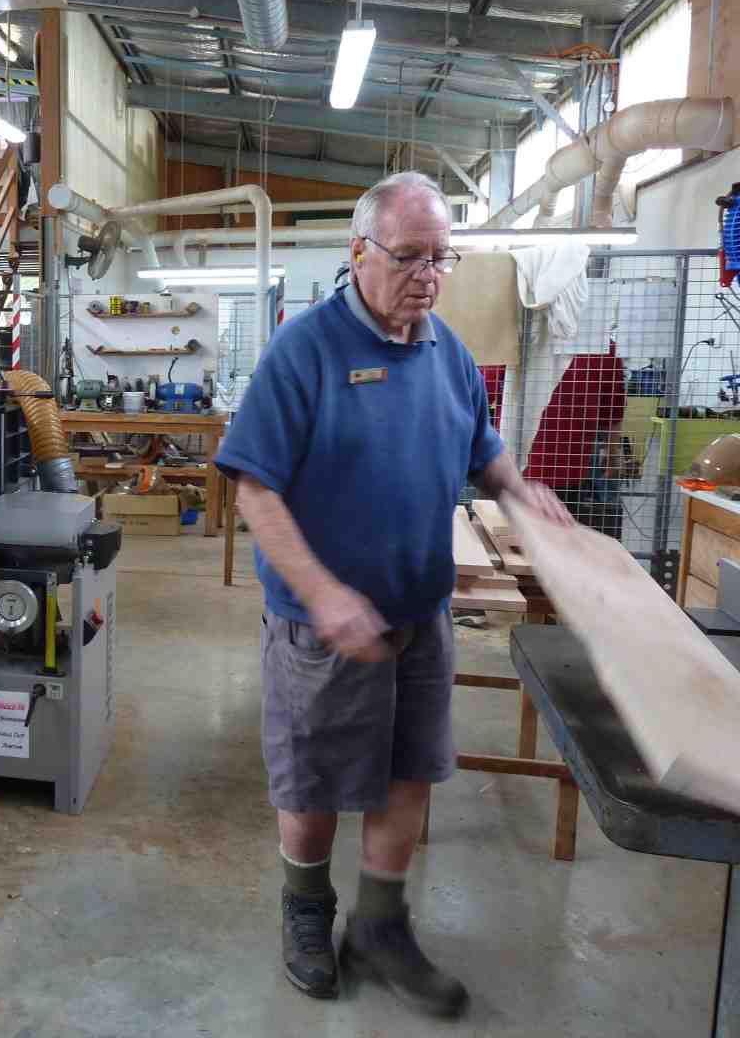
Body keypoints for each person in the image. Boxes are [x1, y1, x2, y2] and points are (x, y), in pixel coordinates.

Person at [216, 171, 573, 1018]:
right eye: (410, 255)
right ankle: (307, 915)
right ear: (359, 250)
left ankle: (380, 926)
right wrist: (321, 590)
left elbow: (482, 447)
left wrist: (521, 491)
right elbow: (252, 489)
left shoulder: (446, 349)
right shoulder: (304, 349)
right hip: (321, 625)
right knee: (313, 786)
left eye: (441, 258)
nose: (428, 274)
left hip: (421, 610)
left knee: (409, 773)